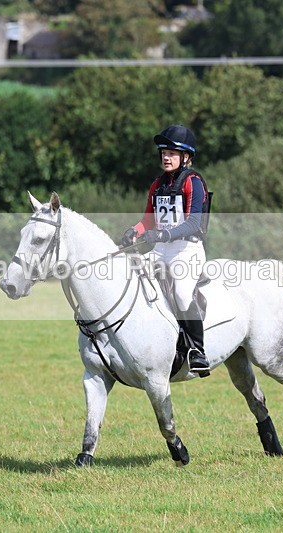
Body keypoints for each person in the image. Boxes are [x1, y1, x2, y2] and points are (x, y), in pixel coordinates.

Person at [121, 125, 211, 376]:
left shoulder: (194, 182)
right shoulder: (157, 185)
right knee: (131, 279)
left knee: (182, 294)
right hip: (161, 250)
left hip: (187, 250)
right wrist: (134, 231)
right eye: (163, 152)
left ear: (186, 157)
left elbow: (193, 223)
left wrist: (163, 234)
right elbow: (148, 221)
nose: (166, 157)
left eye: (172, 152)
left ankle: (197, 351)